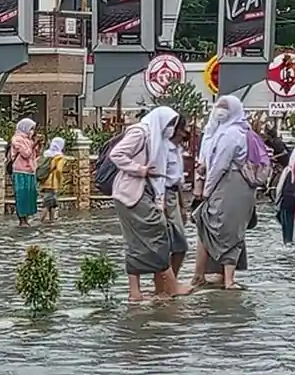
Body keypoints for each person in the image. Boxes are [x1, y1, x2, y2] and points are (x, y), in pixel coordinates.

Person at [108, 106, 192, 301]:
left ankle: (135, 293)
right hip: (130, 193)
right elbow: (117, 154)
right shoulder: (141, 133)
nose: (171, 128)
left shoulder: (158, 139)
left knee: (136, 241)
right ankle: (170, 286)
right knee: (158, 233)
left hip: (142, 193)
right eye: (170, 123)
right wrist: (140, 169)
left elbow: (161, 177)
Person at [192, 95, 262, 290]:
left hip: (229, 185)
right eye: (219, 106)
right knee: (210, 226)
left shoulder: (231, 134)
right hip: (230, 186)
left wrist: (206, 190)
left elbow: (219, 166)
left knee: (225, 228)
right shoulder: (221, 131)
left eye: (225, 107)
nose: (221, 110)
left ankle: (226, 279)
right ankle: (206, 275)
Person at [165, 122, 191, 277]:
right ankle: (166, 283)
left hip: (174, 196)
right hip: (165, 197)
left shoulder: (177, 150)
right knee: (174, 244)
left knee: (179, 245)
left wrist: (183, 206)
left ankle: (171, 280)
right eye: (184, 128)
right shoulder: (164, 149)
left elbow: (179, 181)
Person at [275, 142, 295, 245]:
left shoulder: (288, 170)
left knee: (287, 235)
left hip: (287, 203)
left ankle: (287, 246)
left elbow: (279, 189)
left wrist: (277, 205)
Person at [10, 118, 39, 226]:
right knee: (22, 195)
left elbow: (34, 154)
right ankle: (22, 219)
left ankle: (27, 218)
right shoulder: (17, 139)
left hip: (30, 171)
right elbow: (26, 154)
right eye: (31, 129)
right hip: (20, 171)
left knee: (29, 195)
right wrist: (34, 144)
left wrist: (36, 144)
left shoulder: (29, 140)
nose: (32, 131)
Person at [37, 136, 65, 223]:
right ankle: (40, 221)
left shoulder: (46, 154)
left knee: (52, 204)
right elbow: (59, 170)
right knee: (47, 203)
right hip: (53, 182)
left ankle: (52, 220)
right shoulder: (59, 157)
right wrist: (60, 181)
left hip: (44, 180)